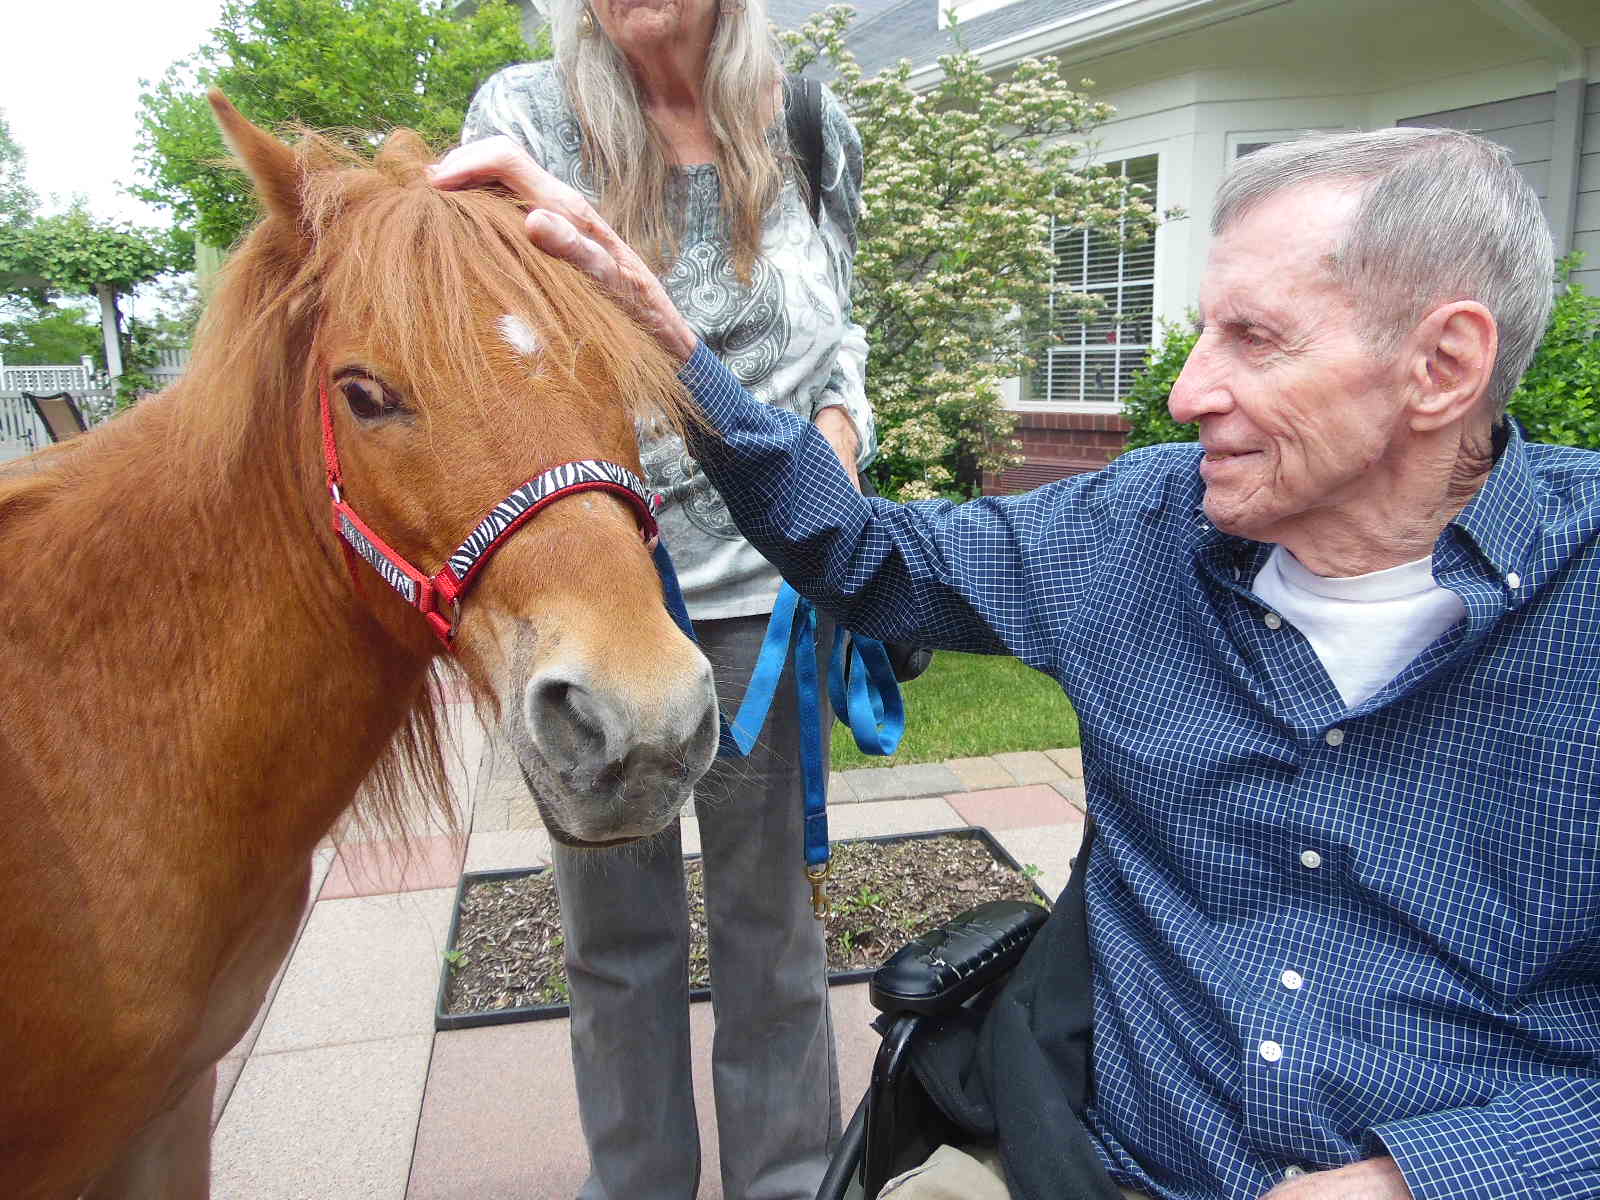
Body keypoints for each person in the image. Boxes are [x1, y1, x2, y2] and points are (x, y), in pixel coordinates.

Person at [435, 122, 1600, 1199]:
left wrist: (1422, 1180)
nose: (1189, 392)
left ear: (1442, 366)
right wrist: (664, 336)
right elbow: (867, 555)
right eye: (1204, 332)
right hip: (1095, 1162)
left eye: (1254, 338)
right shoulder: (1144, 530)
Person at [436, 3, 874, 1198]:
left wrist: (840, 433)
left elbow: (845, 330)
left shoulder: (805, 119)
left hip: (763, 599)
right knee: (616, 942)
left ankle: (786, 1181)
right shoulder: (525, 116)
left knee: (770, 931)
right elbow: (487, 332)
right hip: (594, 596)